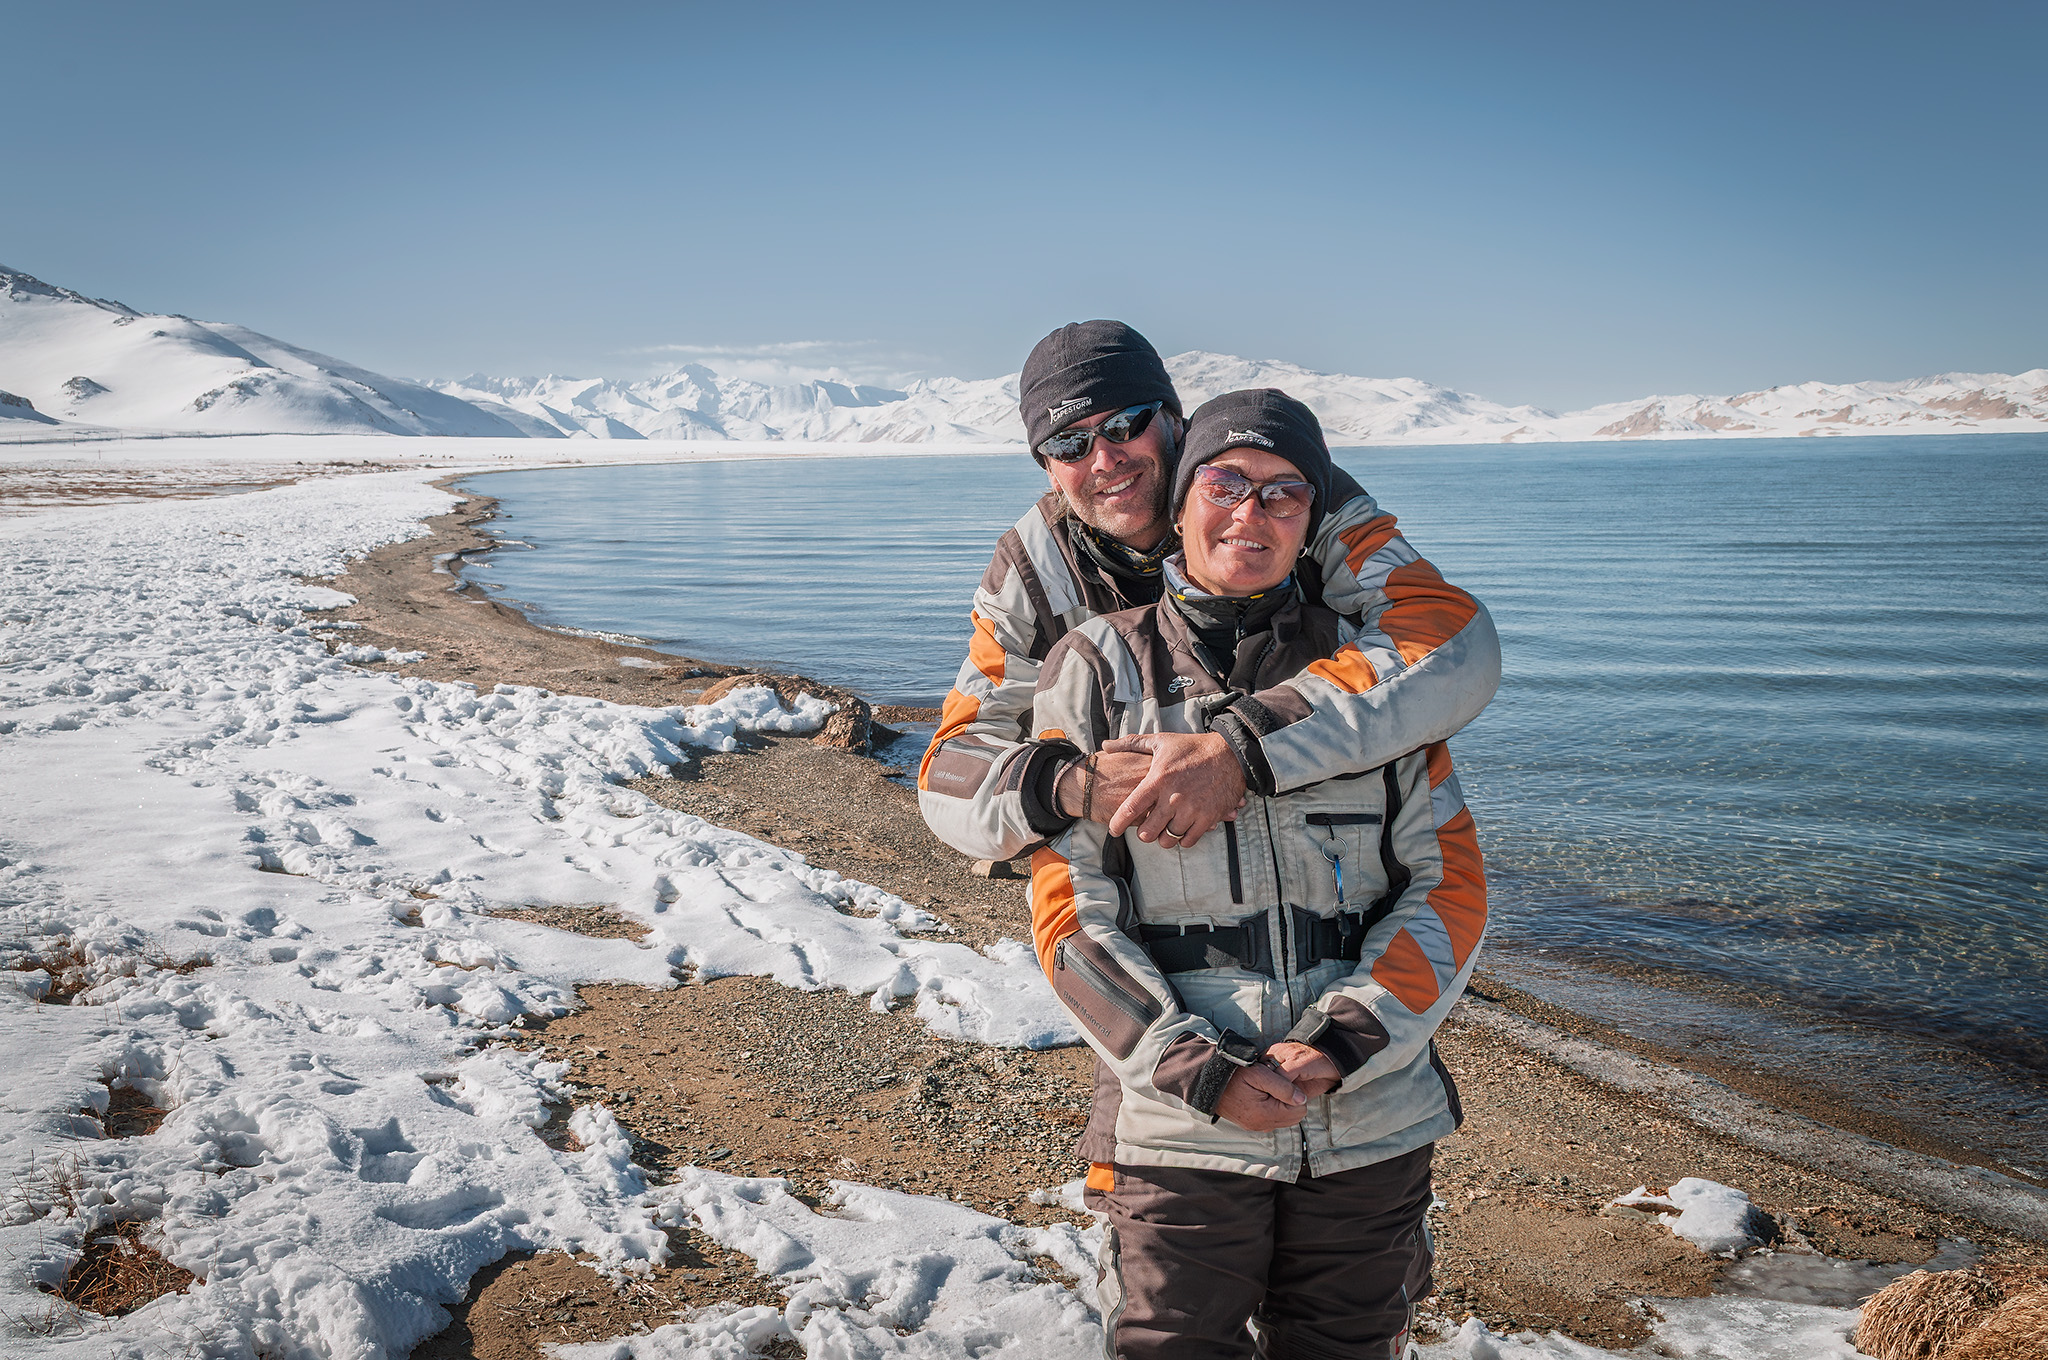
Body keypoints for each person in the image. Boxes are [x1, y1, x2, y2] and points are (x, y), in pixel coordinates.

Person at [1029, 389, 1486, 1359]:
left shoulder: (1375, 680)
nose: (1252, 512)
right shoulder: (1097, 669)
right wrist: (1194, 1069)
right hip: (1181, 1127)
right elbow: (1070, 916)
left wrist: (1344, 1041)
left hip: (1367, 1113)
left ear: (1311, 519)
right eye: (1225, 483)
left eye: (1284, 492)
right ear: (1179, 502)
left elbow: (1447, 887)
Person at [917, 319, 1499, 866]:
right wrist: (1067, 785)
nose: (1105, 459)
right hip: (1136, 857)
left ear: (1175, 422)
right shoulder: (1033, 567)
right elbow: (949, 766)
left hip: (1323, 826)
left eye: (1124, 424)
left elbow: (1451, 642)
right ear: (1048, 469)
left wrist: (1241, 748)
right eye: (1069, 444)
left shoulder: (1291, 492)